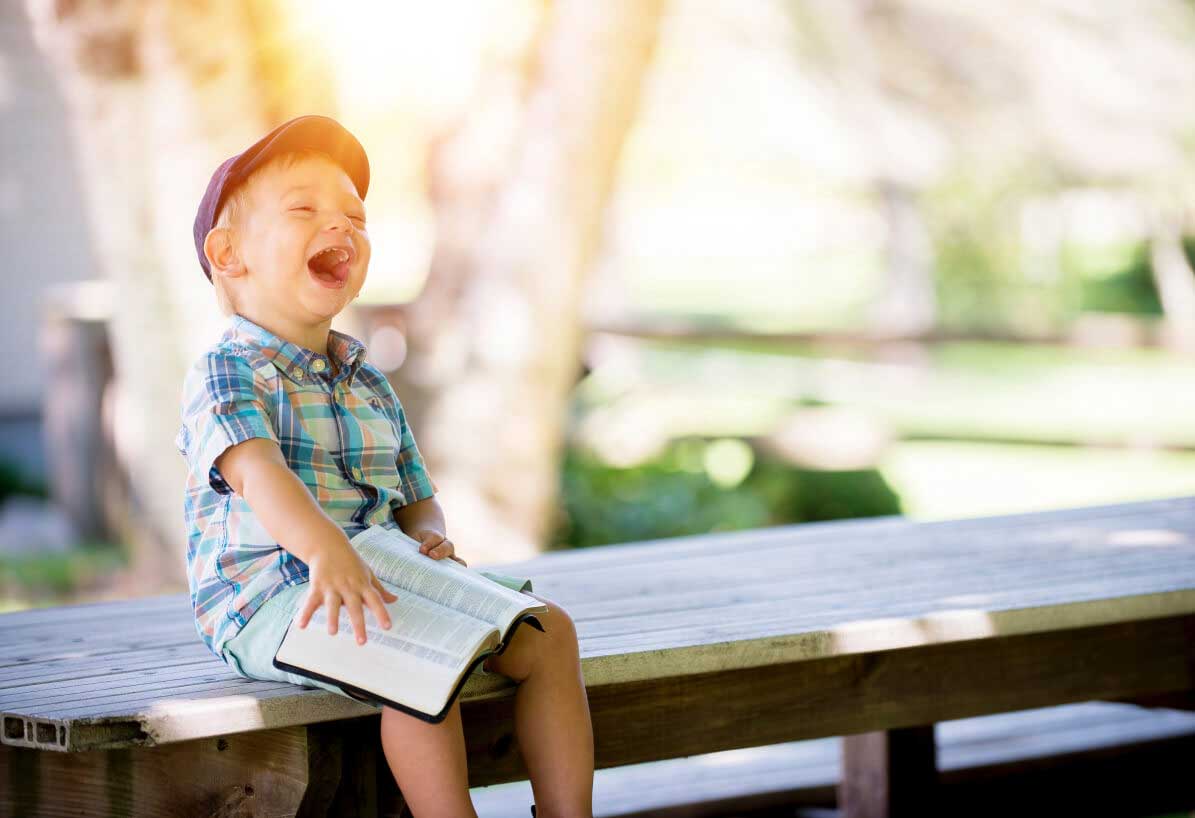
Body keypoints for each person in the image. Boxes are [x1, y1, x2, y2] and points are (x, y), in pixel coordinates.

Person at [175, 115, 594, 817]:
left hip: (378, 569)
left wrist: (428, 532)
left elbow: (413, 493)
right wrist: (326, 550)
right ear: (228, 253)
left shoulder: (364, 375)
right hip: (270, 595)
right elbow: (259, 473)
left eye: (354, 216)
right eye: (304, 208)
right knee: (417, 662)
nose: (339, 226)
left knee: (548, 632)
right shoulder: (228, 369)